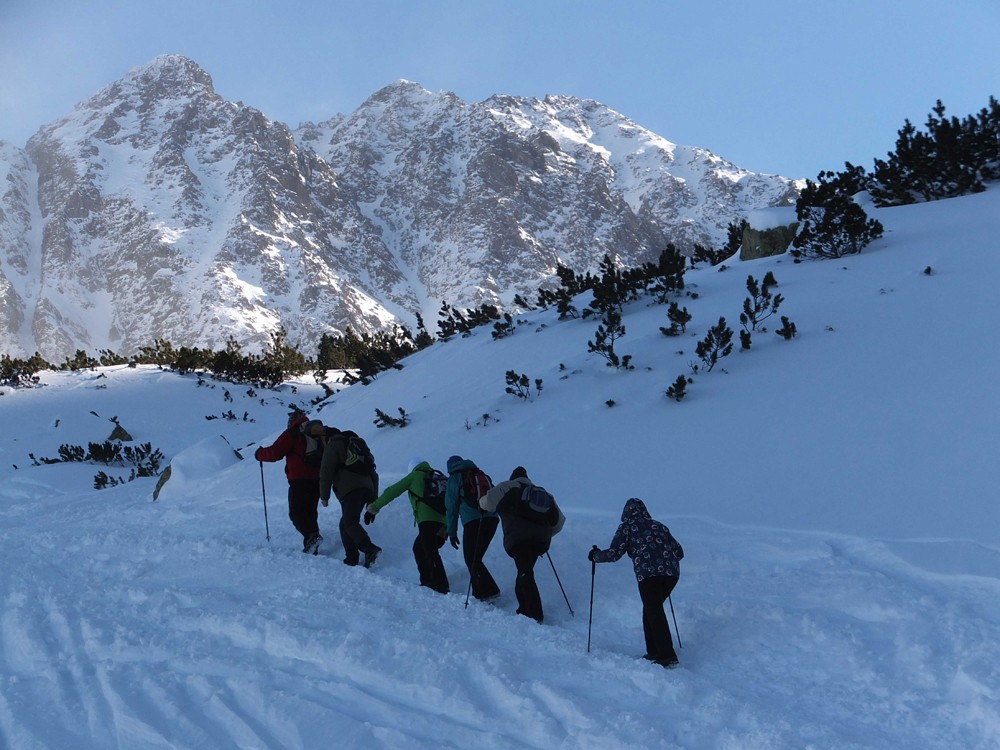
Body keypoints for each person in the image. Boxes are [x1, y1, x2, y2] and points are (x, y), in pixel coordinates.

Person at [589, 498, 684, 668]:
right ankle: (654, 651)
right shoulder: (659, 526)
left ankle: (666, 655)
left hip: (648, 573)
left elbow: (614, 553)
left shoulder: (627, 526)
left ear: (626, 512)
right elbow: (679, 551)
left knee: (653, 610)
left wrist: (596, 556)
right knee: (651, 608)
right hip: (671, 573)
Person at [480, 466, 565, 623]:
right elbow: (559, 522)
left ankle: (533, 613)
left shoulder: (508, 486)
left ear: (513, 477)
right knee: (525, 570)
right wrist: (544, 534)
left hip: (519, 539)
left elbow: (488, 504)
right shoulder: (544, 493)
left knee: (525, 572)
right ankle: (526, 609)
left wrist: (479, 502)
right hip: (540, 541)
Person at [365, 458, 450, 593]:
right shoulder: (439, 477)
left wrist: (373, 508)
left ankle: (440, 586)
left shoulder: (415, 476)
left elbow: (392, 491)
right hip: (444, 523)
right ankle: (428, 581)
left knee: (430, 551)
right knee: (419, 548)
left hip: (427, 521)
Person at [254, 409, 323, 554]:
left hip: (299, 480)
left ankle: (312, 537)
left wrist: (259, 454)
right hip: (317, 479)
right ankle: (312, 546)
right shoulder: (315, 433)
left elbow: (275, 453)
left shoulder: (293, 433)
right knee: (310, 513)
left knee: (296, 513)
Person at [318, 427, 381, 568]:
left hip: (350, 489)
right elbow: (374, 474)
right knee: (344, 524)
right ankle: (351, 558)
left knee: (350, 522)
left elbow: (326, 470)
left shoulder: (333, 445)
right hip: (367, 487)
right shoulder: (357, 448)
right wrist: (372, 499)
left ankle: (369, 549)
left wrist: (324, 496)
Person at [444, 455, 501, 601]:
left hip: (473, 521)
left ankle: (488, 592)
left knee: (471, 558)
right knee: (475, 558)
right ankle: (483, 591)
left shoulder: (455, 479)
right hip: (492, 519)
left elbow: (451, 507)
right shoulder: (480, 474)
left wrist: (451, 532)